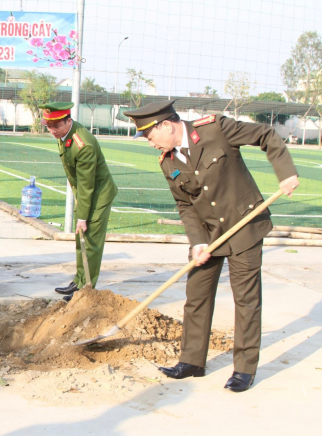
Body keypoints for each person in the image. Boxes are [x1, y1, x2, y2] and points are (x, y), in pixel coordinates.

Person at [123, 99, 299, 392]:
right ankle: (192, 361)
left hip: (245, 226)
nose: (150, 143)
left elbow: (266, 135)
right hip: (209, 236)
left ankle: (244, 368)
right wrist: (197, 242)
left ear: (166, 125)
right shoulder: (168, 162)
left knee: (246, 300)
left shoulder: (216, 129)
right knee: (197, 295)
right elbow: (185, 206)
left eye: (150, 136)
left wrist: (286, 172)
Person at [39, 102, 118, 301]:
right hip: (84, 192)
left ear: (68, 121)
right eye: (49, 126)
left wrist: (82, 216)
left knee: (90, 241)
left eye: (56, 126)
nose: (52, 131)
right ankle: (78, 280)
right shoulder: (65, 134)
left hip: (97, 194)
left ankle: (86, 290)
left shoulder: (84, 145)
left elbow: (87, 185)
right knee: (80, 238)